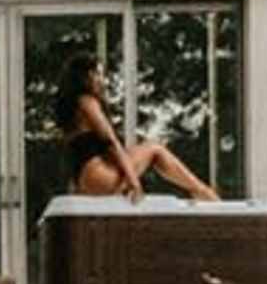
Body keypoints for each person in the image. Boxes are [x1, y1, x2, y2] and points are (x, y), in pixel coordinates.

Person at [61, 58, 219, 206]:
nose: (104, 80)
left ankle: (201, 191)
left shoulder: (71, 111)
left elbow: (80, 153)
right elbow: (110, 142)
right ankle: (203, 192)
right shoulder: (87, 102)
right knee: (155, 148)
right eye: (100, 74)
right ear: (90, 75)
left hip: (84, 183)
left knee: (148, 149)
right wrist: (134, 182)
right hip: (99, 178)